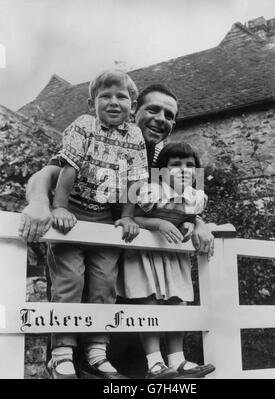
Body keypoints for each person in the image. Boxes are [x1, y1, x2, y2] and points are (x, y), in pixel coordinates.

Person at [19, 83, 215, 379]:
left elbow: (182, 207)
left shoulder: (168, 161)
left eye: (169, 114)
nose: (160, 118)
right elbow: (46, 174)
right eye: (153, 109)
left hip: (139, 277)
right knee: (76, 360)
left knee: (139, 370)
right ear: (134, 110)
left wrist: (199, 223)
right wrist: (37, 202)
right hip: (86, 268)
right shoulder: (101, 139)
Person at [44, 69, 149, 379]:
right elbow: (69, 169)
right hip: (74, 210)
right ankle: (61, 355)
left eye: (122, 97)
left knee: (104, 283)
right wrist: (60, 207)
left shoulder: (134, 136)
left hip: (105, 216)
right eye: (106, 96)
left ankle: (96, 353)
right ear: (92, 103)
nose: (114, 102)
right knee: (70, 279)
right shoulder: (84, 125)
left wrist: (127, 216)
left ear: (133, 103)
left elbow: (134, 181)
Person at [117, 142, 215, 379]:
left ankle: (177, 360)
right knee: (148, 302)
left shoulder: (195, 196)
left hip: (173, 255)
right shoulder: (151, 190)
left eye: (190, 165)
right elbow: (134, 219)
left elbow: (191, 216)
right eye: (175, 165)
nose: (184, 170)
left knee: (178, 302)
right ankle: (154, 363)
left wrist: (191, 223)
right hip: (145, 254)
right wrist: (159, 223)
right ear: (160, 170)